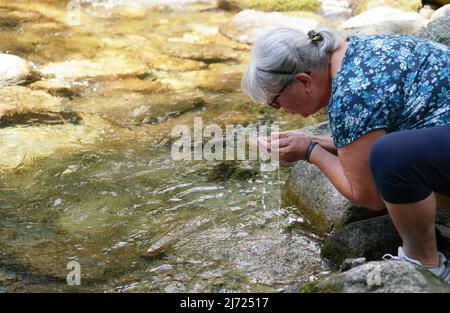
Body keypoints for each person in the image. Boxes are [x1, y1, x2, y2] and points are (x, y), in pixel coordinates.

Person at [241, 27, 450, 283]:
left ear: (304, 81)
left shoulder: (351, 94)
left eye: (275, 101)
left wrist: (310, 151)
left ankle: (425, 265)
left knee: (391, 157)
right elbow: (370, 141)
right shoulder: (354, 52)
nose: (280, 110)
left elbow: (370, 195)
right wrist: (316, 141)